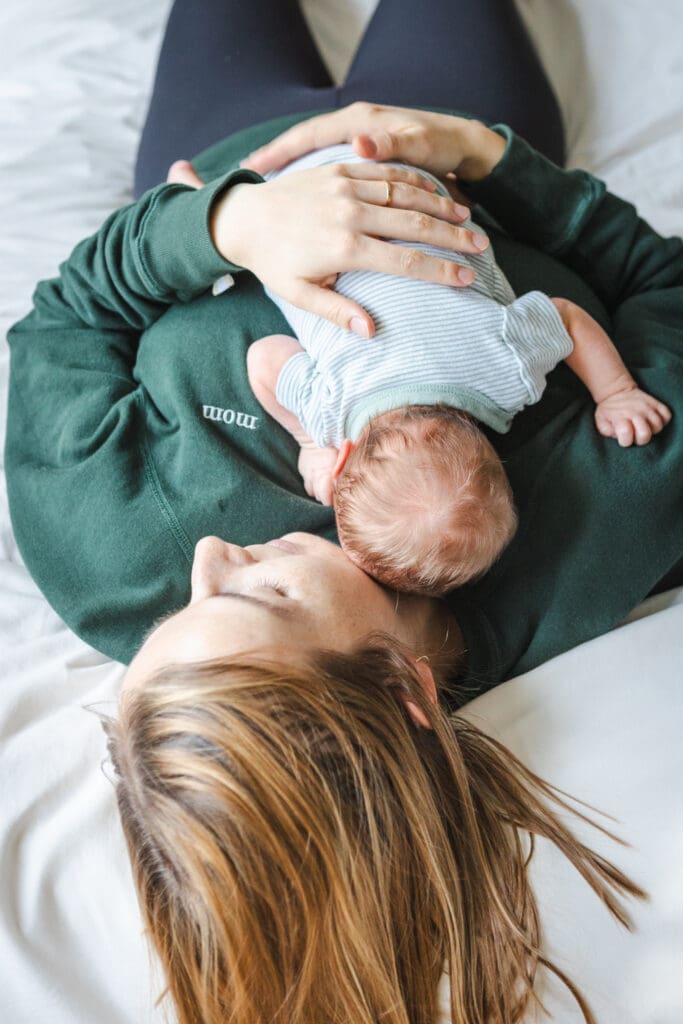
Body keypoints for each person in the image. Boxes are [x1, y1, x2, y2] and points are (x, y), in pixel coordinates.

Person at [4, 0, 683, 1021]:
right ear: (406, 691)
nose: (206, 557)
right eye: (266, 593)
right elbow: (656, 283)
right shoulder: (594, 529)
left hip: (217, 142)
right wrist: (480, 155)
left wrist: (218, 225)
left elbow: (66, 320)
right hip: (437, 125)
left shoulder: (104, 566)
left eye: (168, 621)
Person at [238, 143, 670, 593]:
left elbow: (564, 318)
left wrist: (616, 393)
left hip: (395, 176)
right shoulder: (331, 412)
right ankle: (195, 188)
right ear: (344, 457)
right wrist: (310, 442)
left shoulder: (506, 372)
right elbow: (265, 358)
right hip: (283, 204)